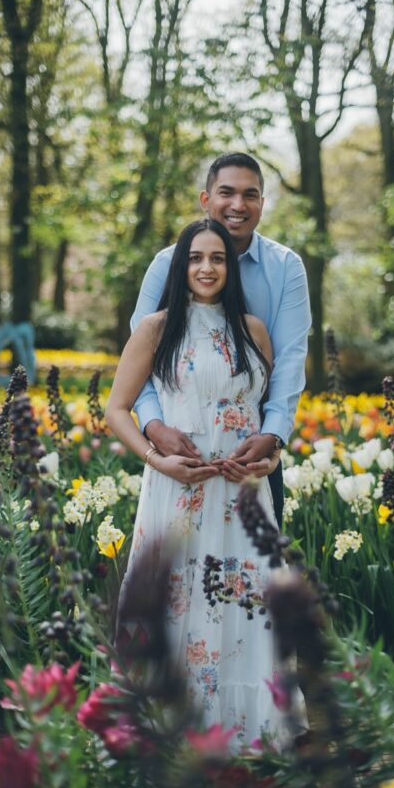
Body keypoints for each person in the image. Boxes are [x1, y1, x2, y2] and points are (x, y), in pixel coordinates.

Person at [106, 218, 296, 743]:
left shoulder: (254, 330)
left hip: (243, 495)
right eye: (195, 258)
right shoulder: (156, 328)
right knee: (177, 598)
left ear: (230, 268)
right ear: (180, 265)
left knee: (248, 601)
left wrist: (268, 459)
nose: (207, 267)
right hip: (179, 488)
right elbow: (117, 409)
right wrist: (155, 458)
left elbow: (257, 416)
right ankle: (168, 728)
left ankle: (244, 728)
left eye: (217, 258)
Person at [131, 152, 311, 527]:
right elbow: (139, 358)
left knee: (253, 576)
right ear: (205, 199)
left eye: (250, 195)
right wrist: (154, 427)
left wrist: (273, 436)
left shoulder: (286, 268)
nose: (237, 205)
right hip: (180, 458)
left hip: (251, 456)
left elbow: (290, 360)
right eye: (226, 192)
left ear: (262, 203)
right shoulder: (168, 265)